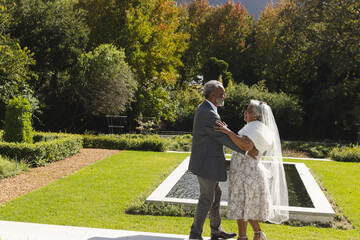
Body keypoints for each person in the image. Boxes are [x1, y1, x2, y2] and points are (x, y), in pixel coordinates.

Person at [188, 80, 258, 240]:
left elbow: (220, 134)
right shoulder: (208, 113)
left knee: (216, 195)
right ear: (212, 95)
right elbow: (223, 137)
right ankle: (195, 234)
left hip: (208, 163)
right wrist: (247, 148)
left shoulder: (207, 109)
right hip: (207, 164)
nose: (224, 96)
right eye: (222, 94)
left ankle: (216, 230)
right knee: (206, 198)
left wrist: (229, 133)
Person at [214, 100, 289, 240]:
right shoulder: (257, 127)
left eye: (249, 111)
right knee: (243, 207)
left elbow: (247, 146)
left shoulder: (253, 127)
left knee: (244, 207)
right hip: (246, 172)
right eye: (246, 110)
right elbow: (251, 150)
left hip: (247, 174)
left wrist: (227, 131)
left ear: (257, 116)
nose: (245, 113)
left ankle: (254, 235)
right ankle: (248, 236)